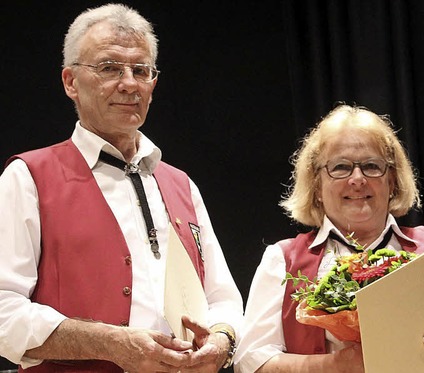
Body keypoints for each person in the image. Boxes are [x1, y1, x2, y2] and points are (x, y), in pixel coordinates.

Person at [0, 4, 243, 372]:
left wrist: (222, 341)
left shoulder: (182, 185)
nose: (129, 83)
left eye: (140, 70)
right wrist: (112, 344)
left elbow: (223, 297)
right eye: (109, 68)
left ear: (153, 84)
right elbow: (4, 309)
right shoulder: (28, 177)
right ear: (70, 82)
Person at [234, 104, 424, 373]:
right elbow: (250, 363)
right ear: (316, 183)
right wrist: (337, 367)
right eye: (340, 167)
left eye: (371, 166)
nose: (357, 179)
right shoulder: (282, 261)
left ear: (391, 180)